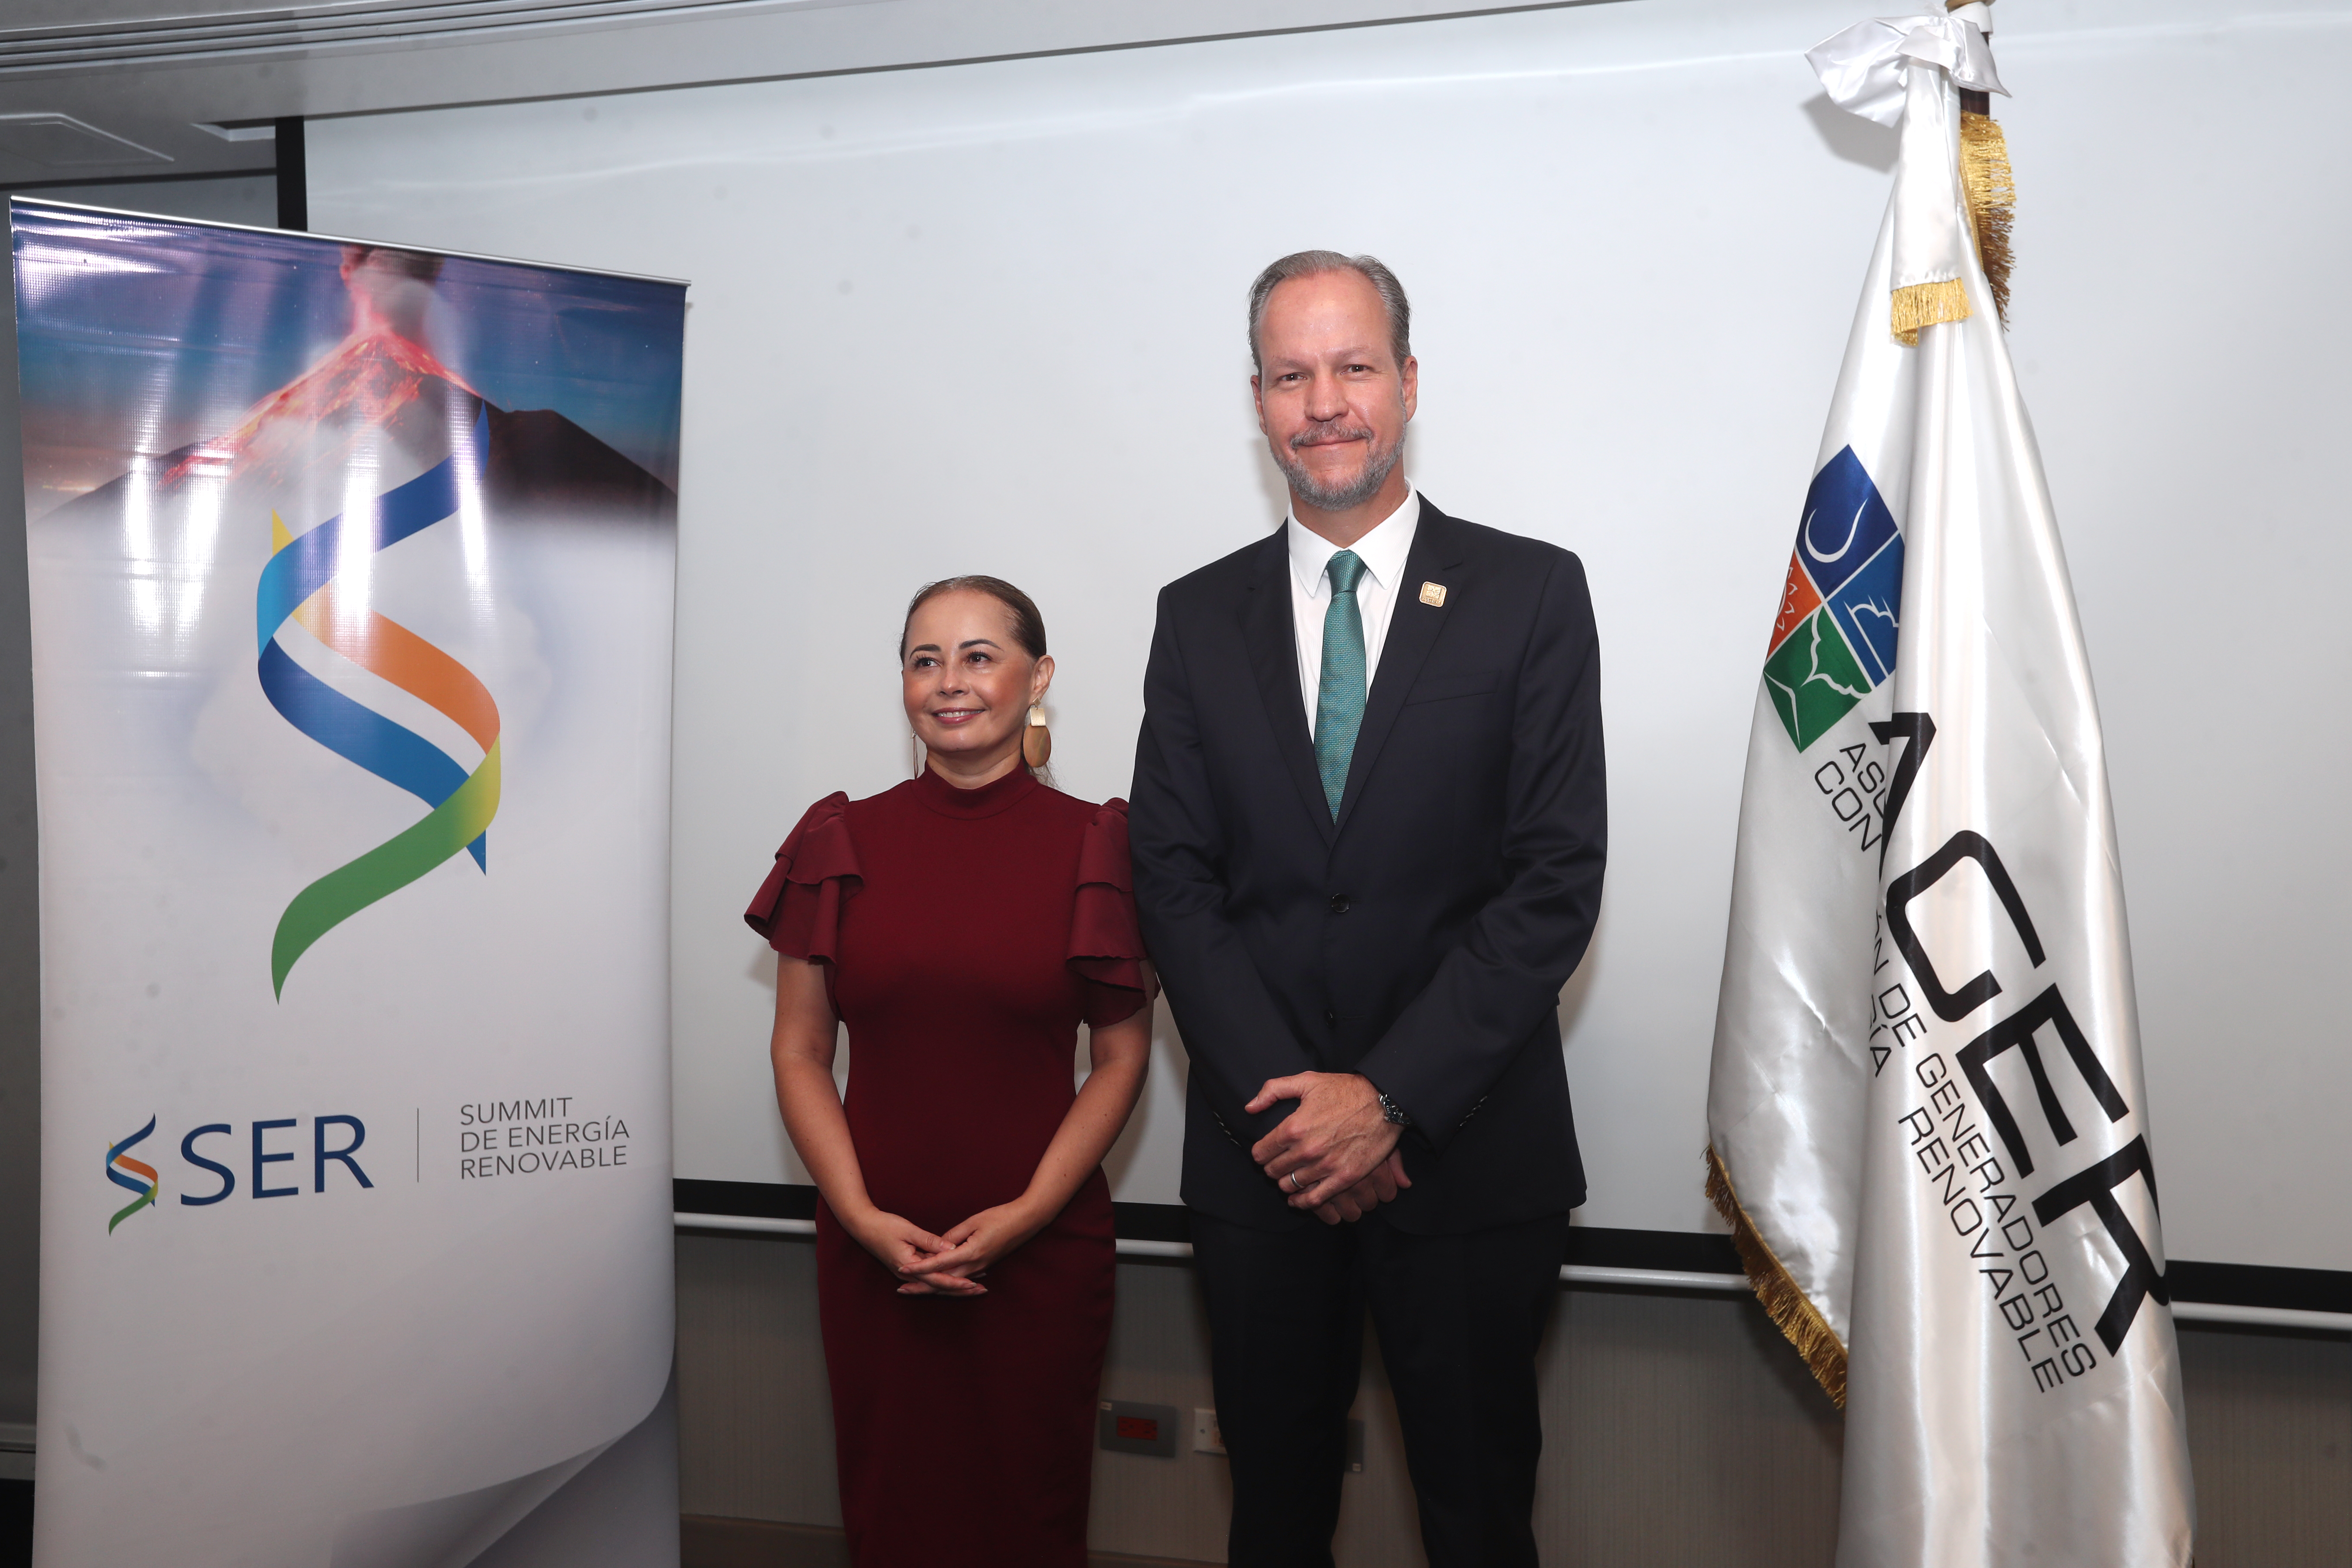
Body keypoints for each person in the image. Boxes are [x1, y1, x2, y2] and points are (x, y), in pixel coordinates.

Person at [1129, 251, 1607, 1567]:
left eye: (1352, 368)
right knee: (1275, 1517)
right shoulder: (1196, 616)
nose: (1324, 402)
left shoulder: (1531, 594)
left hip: (1468, 1151)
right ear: (1259, 397)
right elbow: (1170, 878)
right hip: (1263, 1158)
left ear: (1407, 381)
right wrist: (1301, 1108)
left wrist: (1386, 1098)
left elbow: (1554, 879)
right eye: (1293, 375)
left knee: (1478, 1517)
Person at [746, 577, 1155, 1568]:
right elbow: (799, 1050)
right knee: (892, 1512)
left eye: (979, 656)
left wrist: (1023, 1217)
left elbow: (1121, 1055)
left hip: (1041, 1253)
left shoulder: (1098, 844)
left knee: (1030, 1513)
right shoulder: (840, 839)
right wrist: (857, 1214)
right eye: (925, 660)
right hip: (873, 1251)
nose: (949, 683)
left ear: (1037, 676)